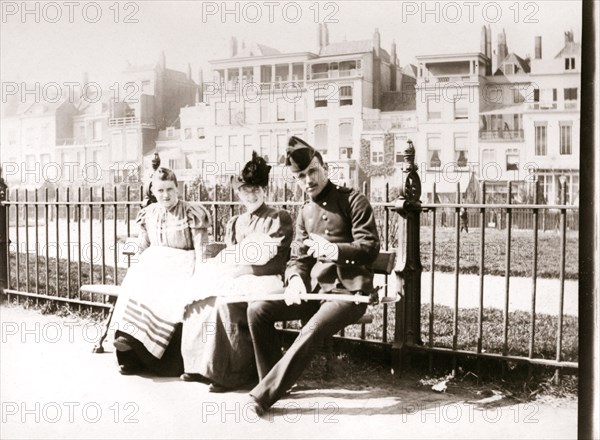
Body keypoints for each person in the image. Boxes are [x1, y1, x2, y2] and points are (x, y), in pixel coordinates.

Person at [245, 136, 380, 416]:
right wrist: (294, 279)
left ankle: (263, 396)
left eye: (312, 171)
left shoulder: (353, 199)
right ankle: (272, 381)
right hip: (316, 292)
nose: (308, 180)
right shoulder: (305, 211)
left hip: (348, 294)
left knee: (311, 330)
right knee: (258, 310)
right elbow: (298, 257)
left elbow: (368, 248)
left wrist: (333, 250)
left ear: (325, 167)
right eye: (300, 176)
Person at [180, 151, 293, 392]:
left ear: (265, 190)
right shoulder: (235, 222)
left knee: (226, 303)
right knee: (202, 299)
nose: (251, 195)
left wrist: (243, 270)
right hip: (241, 277)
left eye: (256, 190)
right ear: (238, 193)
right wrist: (230, 270)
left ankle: (233, 373)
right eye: (245, 191)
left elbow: (277, 263)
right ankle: (200, 366)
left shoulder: (277, 217)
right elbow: (232, 256)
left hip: (267, 278)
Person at [110, 167, 210, 376]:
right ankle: (131, 351)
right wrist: (132, 253)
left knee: (164, 292)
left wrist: (201, 274)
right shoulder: (149, 213)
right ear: (154, 191)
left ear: (177, 189)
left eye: (170, 190)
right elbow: (143, 244)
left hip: (182, 264)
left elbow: (201, 249)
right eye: (161, 190)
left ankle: (159, 356)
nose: (166, 195)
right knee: (136, 281)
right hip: (155, 263)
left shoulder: (191, 212)